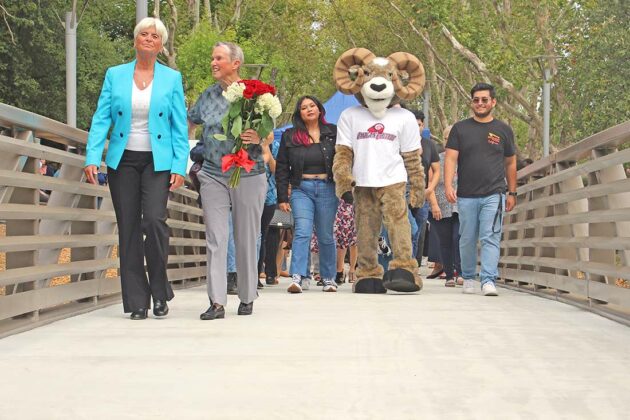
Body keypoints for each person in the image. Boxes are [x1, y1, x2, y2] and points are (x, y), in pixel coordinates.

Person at [84, 17, 188, 320]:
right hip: (123, 160)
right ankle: (137, 301)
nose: (148, 39)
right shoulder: (115, 75)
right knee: (128, 227)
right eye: (143, 34)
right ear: (135, 40)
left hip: (158, 161)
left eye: (155, 36)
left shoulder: (171, 78)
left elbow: (179, 127)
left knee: (155, 222)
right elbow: (101, 118)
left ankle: (159, 291)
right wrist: (93, 156)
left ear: (161, 44)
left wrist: (179, 165)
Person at [188, 41, 266, 320]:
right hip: (212, 173)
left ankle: (247, 296)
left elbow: (268, 132)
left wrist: (260, 137)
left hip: (249, 173)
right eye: (212, 58)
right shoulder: (208, 95)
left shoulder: (255, 93)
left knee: (246, 237)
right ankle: (217, 301)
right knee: (216, 237)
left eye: (218, 58)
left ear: (235, 63)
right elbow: (190, 120)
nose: (213, 62)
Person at [444, 83, 517, 296]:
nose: (480, 103)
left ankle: (488, 279)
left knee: (490, 236)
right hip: (466, 194)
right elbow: (450, 158)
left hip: (494, 193)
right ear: (472, 102)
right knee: (466, 238)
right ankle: (468, 277)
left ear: (493, 102)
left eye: (485, 100)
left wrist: (512, 192)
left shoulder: (503, 129)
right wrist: (449, 185)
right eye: (476, 100)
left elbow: (511, 163)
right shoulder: (460, 128)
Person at [276, 96, 339, 293]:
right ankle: (298, 276)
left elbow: (344, 160)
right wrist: (282, 198)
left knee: (325, 235)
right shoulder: (290, 135)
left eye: (312, 106)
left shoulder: (333, 132)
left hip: (328, 188)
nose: (309, 109)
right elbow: (282, 168)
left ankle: (328, 278)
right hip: (301, 188)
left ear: (320, 110)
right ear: (299, 113)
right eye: (304, 107)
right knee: (302, 231)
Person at [427, 130, 462, 287]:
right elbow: (430, 184)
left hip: (461, 205)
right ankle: (449, 275)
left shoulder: (466, 160)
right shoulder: (437, 160)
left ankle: (461, 273)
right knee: (445, 241)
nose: (450, 140)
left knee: (458, 238)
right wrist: (434, 204)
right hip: (440, 205)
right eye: (447, 138)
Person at [409, 110, 440, 268]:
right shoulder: (400, 142)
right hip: (402, 193)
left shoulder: (429, 145)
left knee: (418, 233)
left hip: (422, 195)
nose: (417, 127)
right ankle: (403, 264)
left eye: (420, 124)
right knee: (410, 230)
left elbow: (436, 170)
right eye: (413, 124)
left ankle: (411, 266)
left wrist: (430, 188)